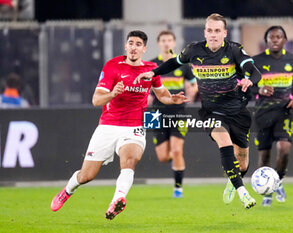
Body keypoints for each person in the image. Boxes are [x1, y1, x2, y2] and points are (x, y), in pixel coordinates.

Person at [50, 30, 188, 220]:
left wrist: (172, 99)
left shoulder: (150, 69)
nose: (133, 47)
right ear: (126, 46)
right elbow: (97, 100)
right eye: (130, 43)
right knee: (86, 176)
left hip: (135, 127)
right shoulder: (112, 66)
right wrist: (113, 93)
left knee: (129, 161)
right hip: (108, 126)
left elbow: (161, 94)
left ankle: (118, 199)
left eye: (138, 44)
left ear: (144, 48)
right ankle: (67, 190)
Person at [135, 13, 261, 209]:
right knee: (223, 141)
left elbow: (255, 72)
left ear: (224, 33)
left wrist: (248, 80)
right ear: (205, 32)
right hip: (211, 112)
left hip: (237, 112)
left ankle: (233, 180)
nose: (213, 34)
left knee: (243, 163)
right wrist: (153, 72)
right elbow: (174, 62)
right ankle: (242, 192)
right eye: (209, 30)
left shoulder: (235, 50)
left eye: (217, 30)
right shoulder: (194, 50)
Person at [252, 26, 293, 206]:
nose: (275, 39)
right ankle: (266, 192)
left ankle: (278, 182)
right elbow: (243, 83)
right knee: (264, 156)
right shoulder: (256, 61)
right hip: (262, 114)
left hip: (285, 112)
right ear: (266, 41)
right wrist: (258, 88)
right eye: (271, 37)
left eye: (279, 37)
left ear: (284, 40)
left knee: (284, 149)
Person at [150, 30, 197, 198]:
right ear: (158, 43)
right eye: (163, 40)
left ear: (174, 43)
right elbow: (146, 89)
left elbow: (194, 84)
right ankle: (175, 162)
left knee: (177, 151)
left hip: (178, 112)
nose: (166, 43)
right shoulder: (151, 65)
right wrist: (147, 98)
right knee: (163, 157)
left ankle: (178, 188)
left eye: (169, 40)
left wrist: (192, 93)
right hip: (155, 114)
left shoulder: (182, 64)